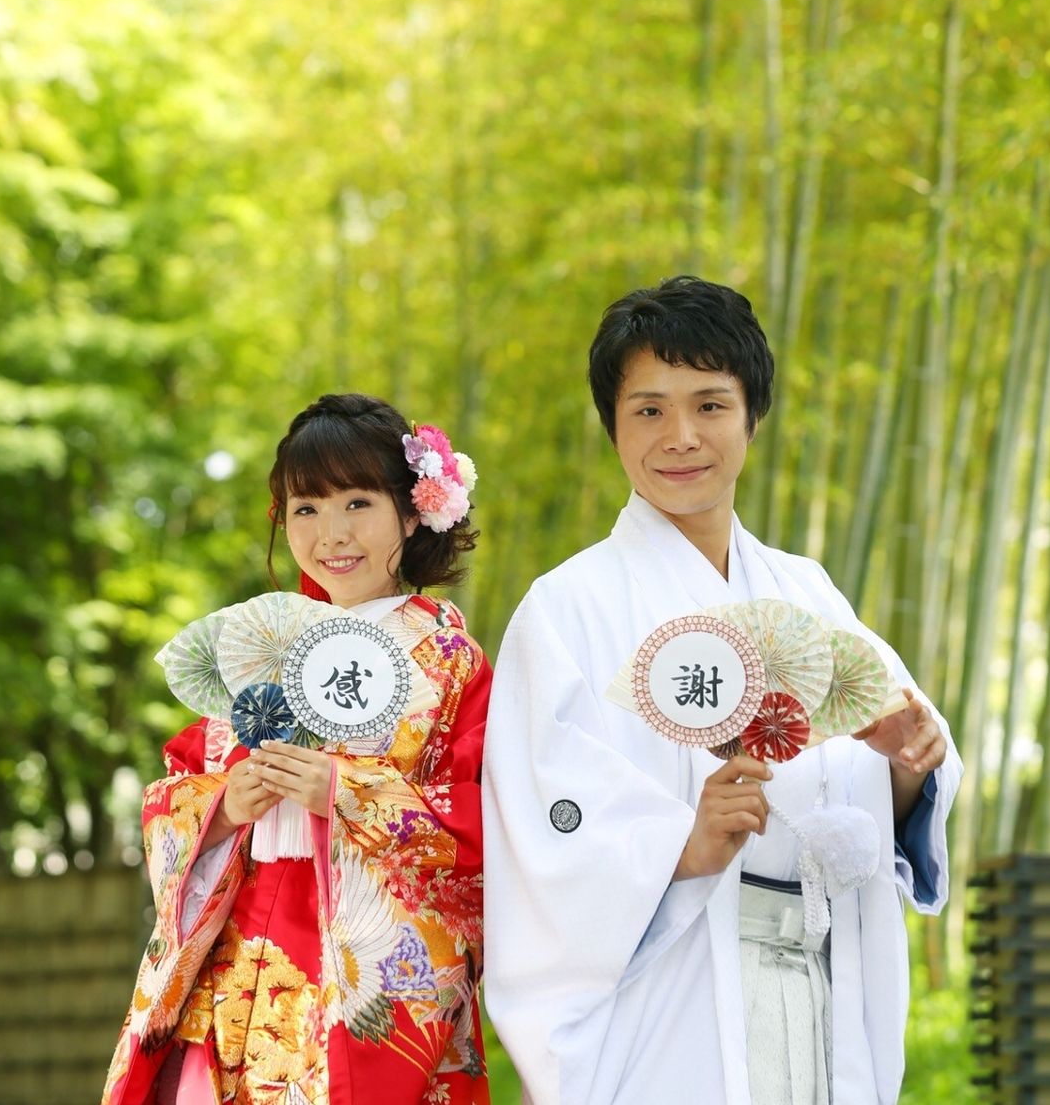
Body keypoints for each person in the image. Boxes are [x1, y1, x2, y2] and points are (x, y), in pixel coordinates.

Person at [482, 277, 962, 1105]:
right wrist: (681, 846)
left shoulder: (809, 593)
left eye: (710, 405)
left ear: (752, 416)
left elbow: (872, 803)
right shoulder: (566, 609)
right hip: (668, 1002)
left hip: (817, 984)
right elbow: (541, 828)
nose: (681, 437)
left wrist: (907, 765)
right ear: (612, 425)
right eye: (649, 410)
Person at [103, 394, 492, 1105]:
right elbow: (174, 790)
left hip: (361, 977)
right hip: (234, 971)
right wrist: (224, 806)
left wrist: (347, 794)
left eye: (357, 503)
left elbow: (487, 821)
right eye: (305, 508)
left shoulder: (448, 663)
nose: (331, 534)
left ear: (413, 512)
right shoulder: (263, 648)